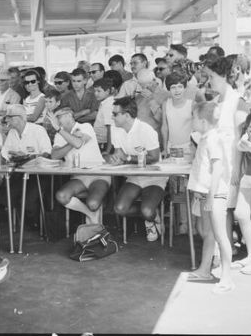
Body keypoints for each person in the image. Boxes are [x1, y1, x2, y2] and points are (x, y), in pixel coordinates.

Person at [203, 56, 249, 255]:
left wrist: (237, 170)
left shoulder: (237, 101)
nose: (208, 81)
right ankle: (223, 255)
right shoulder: (216, 101)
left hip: (230, 164)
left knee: (226, 212)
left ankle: (226, 257)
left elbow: (240, 139)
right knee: (221, 213)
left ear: (223, 76)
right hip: (215, 165)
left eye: (211, 76)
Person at [187, 101, 234, 294]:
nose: (192, 121)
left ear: (203, 121)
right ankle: (205, 270)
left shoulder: (214, 139)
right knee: (208, 234)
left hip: (215, 195)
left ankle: (227, 278)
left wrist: (211, 197)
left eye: (194, 118)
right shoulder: (205, 137)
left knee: (221, 237)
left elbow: (217, 169)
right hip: (206, 194)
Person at [108, 97, 166, 242]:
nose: (112, 117)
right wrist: (115, 159)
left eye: (115, 114)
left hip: (154, 176)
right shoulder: (116, 129)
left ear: (127, 115)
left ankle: (151, 218)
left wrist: (127, 158)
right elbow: (118, 153)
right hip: (134, 176)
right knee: (120, 209)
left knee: (147, 211)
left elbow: (154, 157)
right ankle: (151, 214)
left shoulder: (145, 129)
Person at [49, 106, 111, 224]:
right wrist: (70, 141)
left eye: (58, 117)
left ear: (69, 115)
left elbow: (77, 143)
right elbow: (54, 155)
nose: (56, 121)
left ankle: (92, 219)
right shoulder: (59, 135)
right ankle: (89, 214)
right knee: (61, 196)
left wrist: (60, 130)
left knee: (93, 204)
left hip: (98, 174)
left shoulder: (85, 126)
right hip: (79, 177)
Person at [0, 104, 52, 228]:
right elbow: (5, 154)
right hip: (18, 173)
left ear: (22, 117)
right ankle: (19, 225)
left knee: (29, 203)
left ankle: (34, 225)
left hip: (37, 174)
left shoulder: (38, 130)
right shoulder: (12, 133)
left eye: (10, 117)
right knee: (4, 197)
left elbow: (47, 153)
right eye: (7, 117)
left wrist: (28, 156)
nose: (7, 120)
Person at [161, 71, 195, 235]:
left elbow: (196, 129)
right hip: (172, 149)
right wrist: (164, 148)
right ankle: (182, 224)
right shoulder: (166, 103)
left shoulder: (191, 104)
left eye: (180, 86)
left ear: (185, 87)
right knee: (176, 189)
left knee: (191, 187)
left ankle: (193, 224)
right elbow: (164, 127)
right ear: (169, 89)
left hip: (189, 149)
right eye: (173, 87)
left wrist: (195, 150)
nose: (177, 90)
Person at [233, 77, 251, 275]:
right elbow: (244, 141)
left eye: (250, 91)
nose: (246, 95)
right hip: (249, 171)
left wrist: (249, 146)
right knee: (241, 213)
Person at [134, 68, 169, 148]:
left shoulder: (165, 95)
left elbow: (163, 120)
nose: (145, 87)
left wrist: (151, 100)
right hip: (140, 139)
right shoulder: (139, 97)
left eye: (148, 84)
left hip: (155, 140)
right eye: (142, 85)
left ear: (154, 80)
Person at [0, 68, 21, 132]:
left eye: (2, 80)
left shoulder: (15, 96)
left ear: (8, 81)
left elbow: (12, 115)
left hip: (7, 128)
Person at [93, 77, 115, 154]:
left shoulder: (108, 105)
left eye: (99, 91)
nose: (96, 93)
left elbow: (110, 128)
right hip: (102, 143)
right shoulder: (105, 103)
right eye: (95, 91)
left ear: (108, 91)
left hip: (105, 144)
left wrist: (108, 151)